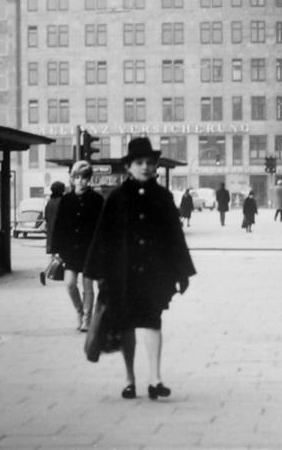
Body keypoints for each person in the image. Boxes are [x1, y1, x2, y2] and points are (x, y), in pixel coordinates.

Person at [84, 137, 196, 401]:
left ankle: (155, 378)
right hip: (122, 274)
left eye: (149, 162)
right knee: (126, 326)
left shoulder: (163, 197)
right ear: (129, 167)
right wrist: (97, 272)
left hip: (154, 274)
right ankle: (129, 379)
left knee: (153, 322)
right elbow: (103, 236)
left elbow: (175, 237)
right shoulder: (116, 198)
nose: (145, 166)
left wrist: (182, 272)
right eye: (139, 162)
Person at [50, 161, 104, 333]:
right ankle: (80, 312)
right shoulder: (66, 200)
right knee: (70, 284)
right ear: (72, 179)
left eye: (84, 178)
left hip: (90, 251)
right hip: (71, 251)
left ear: (89, 179)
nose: (81, 181)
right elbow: (58, 226)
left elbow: (103, 226)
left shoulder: (97, 200)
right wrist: (56, 251)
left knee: (88, 287)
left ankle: (87, 320)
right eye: (77, 177)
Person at [39, 181, 65, 285]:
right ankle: (48, 272)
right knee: (63, 255)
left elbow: (46, 217)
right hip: (60, 232)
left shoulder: (49, 202)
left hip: (51, 233)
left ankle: (47, 273)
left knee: (55, 255)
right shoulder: (62, 201)